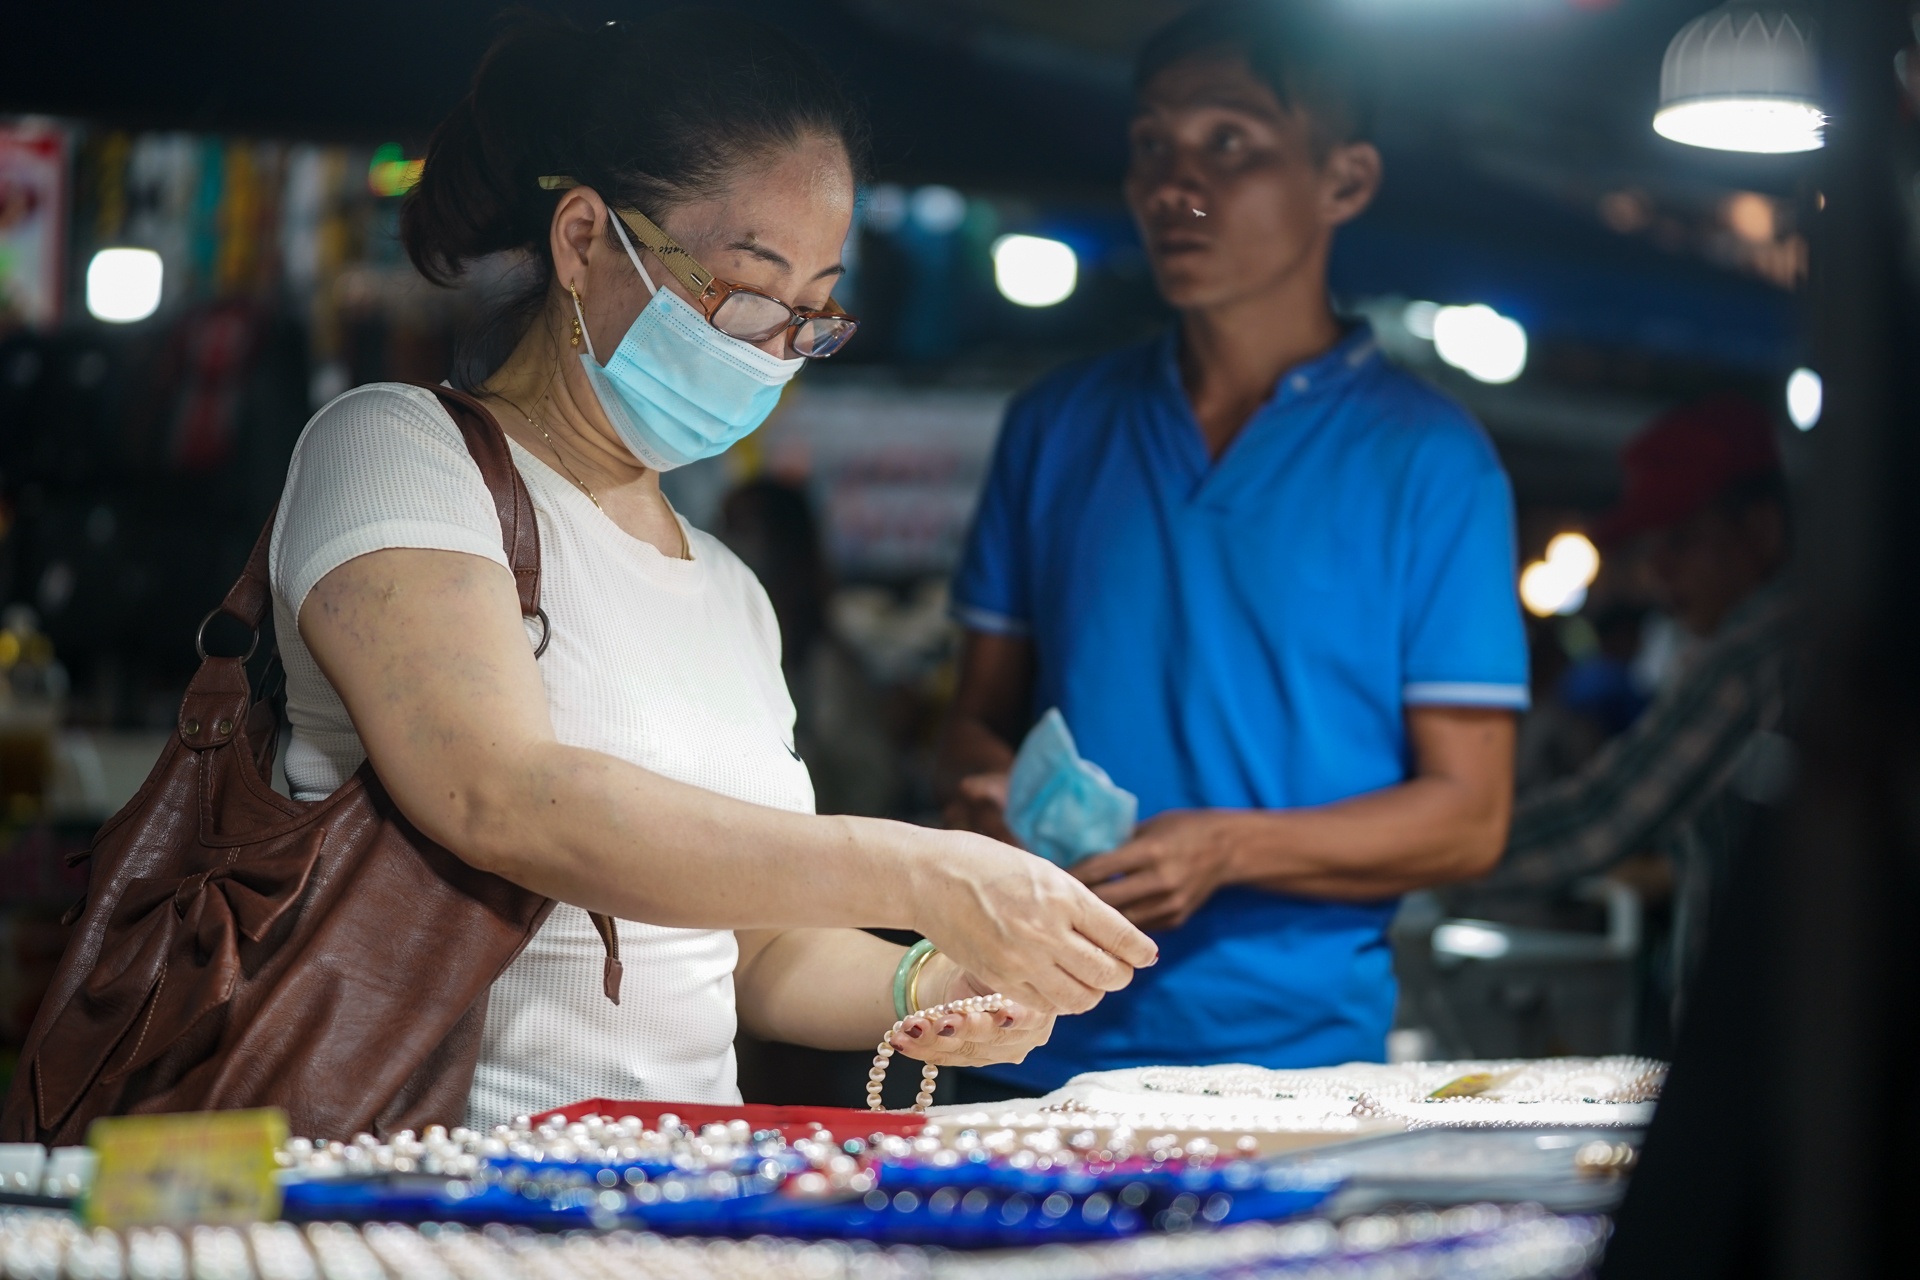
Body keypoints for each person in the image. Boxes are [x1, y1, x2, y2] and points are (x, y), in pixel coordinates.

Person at [272, 11, 1154, 1126]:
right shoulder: (397, 449)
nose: (773, 348)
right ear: (584, 240)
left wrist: (931, 980)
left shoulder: (733, 591)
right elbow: (503, 794)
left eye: (813, 314)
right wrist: (920, 870)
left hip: (670, 1198)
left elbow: (747, 949)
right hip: (422, 1178)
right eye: (745, 293)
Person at [939, 0, 1527, 1097]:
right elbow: (976, 713)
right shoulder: (1056, 423)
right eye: (1152, 146)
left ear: (1344, 182)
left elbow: (1469, 815)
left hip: (1294, 1060)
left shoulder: (1434, 462)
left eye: (1231, 144)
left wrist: (1226, 846)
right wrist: (982, 786)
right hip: (1026, 1036)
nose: (1176, 186)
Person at [1486, 394, 1795, 1012]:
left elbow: (1602, 816)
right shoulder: (1809, 640)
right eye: (1651, 548)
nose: (1659, 572)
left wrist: (1424, 857)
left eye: (1681, 540)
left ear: (1762, 528)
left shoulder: (1757, 656)